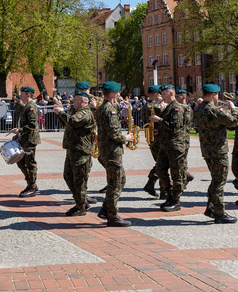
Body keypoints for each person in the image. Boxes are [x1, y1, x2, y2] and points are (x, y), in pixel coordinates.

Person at [194, 84, 238, 224]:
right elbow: (234, 123)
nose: (218, 97)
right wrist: (232, 110)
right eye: (217, 95)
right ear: (213, 94)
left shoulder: (198, 109)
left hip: (207, 150)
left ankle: (211, 207)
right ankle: (219, 213)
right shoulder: (214, 110)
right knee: (219, 181)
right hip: (218, 150)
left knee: (215, 179)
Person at [96, 81, 134, 226]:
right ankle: (112, 216)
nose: (119, 95)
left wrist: (123, 122)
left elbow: (110, 127)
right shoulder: (109, 109)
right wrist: (127, 138)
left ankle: (105, 209)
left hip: (107, 150)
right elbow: (114, 133)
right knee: (115, 183)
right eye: (118, 92)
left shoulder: (104, 108)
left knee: (120, 179)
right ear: (112, 94)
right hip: (111, 151)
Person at [55, 90, 95, 216]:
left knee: (79, 181)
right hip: (73, 149)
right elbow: (66, 123)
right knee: (68, 176)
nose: (73, 102)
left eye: (76, 99)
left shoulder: (85, 112)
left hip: (81, 151)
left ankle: (80, 206)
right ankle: (81, 201)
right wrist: (59, 113)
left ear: (82, 101)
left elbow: (72, 121)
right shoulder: (76, 112)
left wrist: (61, 112)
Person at [149, 85, 188, 212]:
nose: (161, 97)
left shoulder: (176, 108)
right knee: (160, 170)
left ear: (171, 94)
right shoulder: (168, 108)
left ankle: (176, 200)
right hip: (165, 145)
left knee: (177, 174)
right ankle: (169, 195)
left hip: (175, 146)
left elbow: (174, 126)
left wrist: (159, 120)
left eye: (164, 94)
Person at [11, 86, 41, 197]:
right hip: (24, 139)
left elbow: (32, 125)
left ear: (28, 95)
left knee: (30, 163)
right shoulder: (26, 106)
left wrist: (20, 130)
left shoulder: (31, 107)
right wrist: (18, 134)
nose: (20, 96)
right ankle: (31, 183)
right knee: (20, 161)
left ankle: (32, 187)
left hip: (30, 140)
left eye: (22, 94)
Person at [141, 85, 163, 198]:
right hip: (157, 138)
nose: (161, 96)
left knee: (161, 162)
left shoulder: (146, 106)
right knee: (162, 163)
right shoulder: (154, 107)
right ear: (155, 94)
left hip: (151, 137)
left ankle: (158, 187)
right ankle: (151, 183)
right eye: (159, 94)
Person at [173, 88, 196, 189]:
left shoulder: (187, 108)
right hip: (179, 138)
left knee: (181, 160)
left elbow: (183, 121)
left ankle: (184, 178)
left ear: (183, 97)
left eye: (177, 96)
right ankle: (185, 177)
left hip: (183, 138)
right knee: (181, 161)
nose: (175, 98)